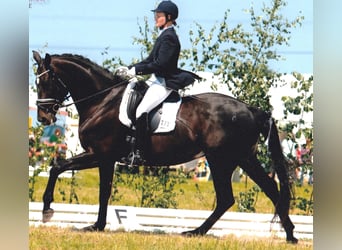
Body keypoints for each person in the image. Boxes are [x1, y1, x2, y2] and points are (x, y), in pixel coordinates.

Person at [120, 1, 200, 166]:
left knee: (142, 110)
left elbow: (160, 65)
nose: (155, 18)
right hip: (156, 80)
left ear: (169, 17)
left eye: (159, 15)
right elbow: (150, 60)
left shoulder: (169, 37)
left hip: (164, 82)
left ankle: (140, 153)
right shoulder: (164, 35)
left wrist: (136, 71)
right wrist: (131, 68)